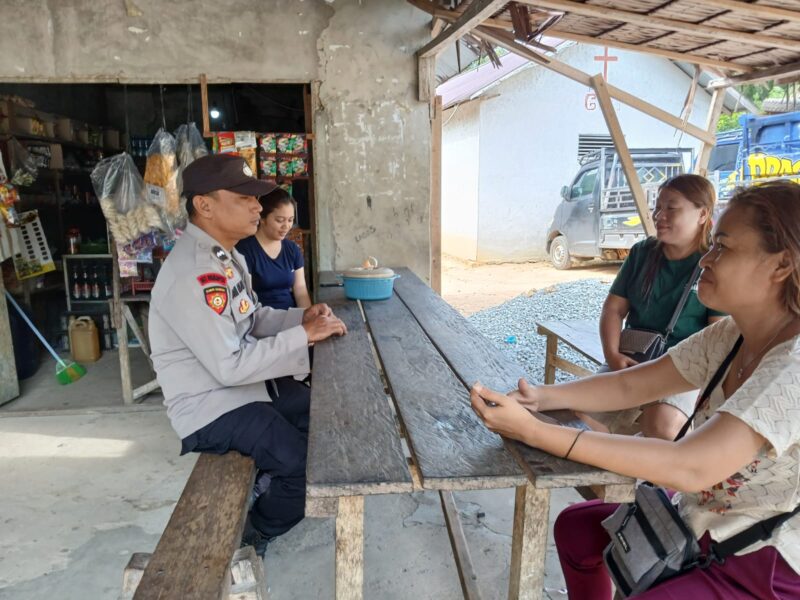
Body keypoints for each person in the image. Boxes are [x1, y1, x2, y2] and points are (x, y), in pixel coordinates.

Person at [471, 181, 800, 599]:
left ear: (781, 266)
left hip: (764, 559)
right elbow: (632, 384)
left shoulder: (792, 363)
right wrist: (542, 397)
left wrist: (536, 431)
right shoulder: (734, 335)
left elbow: (690, 466)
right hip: (702, 521)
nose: (706, 261)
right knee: (576, 528)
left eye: (723, 248)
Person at [148, 154, 347, 555]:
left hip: (243, 385)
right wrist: (304, 336)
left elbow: (251, 318)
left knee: (325, 414)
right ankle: (256, 532)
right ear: (204, 205)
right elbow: (229, 366)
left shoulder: (227, 255)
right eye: (243, 198)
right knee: (303, 466)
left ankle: (269, 481)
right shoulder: (194, 273)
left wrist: (300, 317)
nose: (258, 206)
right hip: (210, 405)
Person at [596, 174, 724, 440]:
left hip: (682, 368)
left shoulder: (714, 263)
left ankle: (649, 476)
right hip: (632, 358)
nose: (659, 215)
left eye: (671, 208)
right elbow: (613, 310)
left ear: (703, 214)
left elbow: (719, 334)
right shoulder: (642, 252)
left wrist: (707, 387)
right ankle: (612, 470)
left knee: (664, 427)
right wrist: (612, 356)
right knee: (577, 418)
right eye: (657, 207)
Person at [236, 188, 311, 310]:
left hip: (291, 316)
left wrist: (308, 317)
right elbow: (245, 298)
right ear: (262, 218)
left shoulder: (292, 249)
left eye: (290, 220)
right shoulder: (244, 250)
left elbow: (300, 290)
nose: (286, 226)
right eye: (279, 220)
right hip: (261, 319)